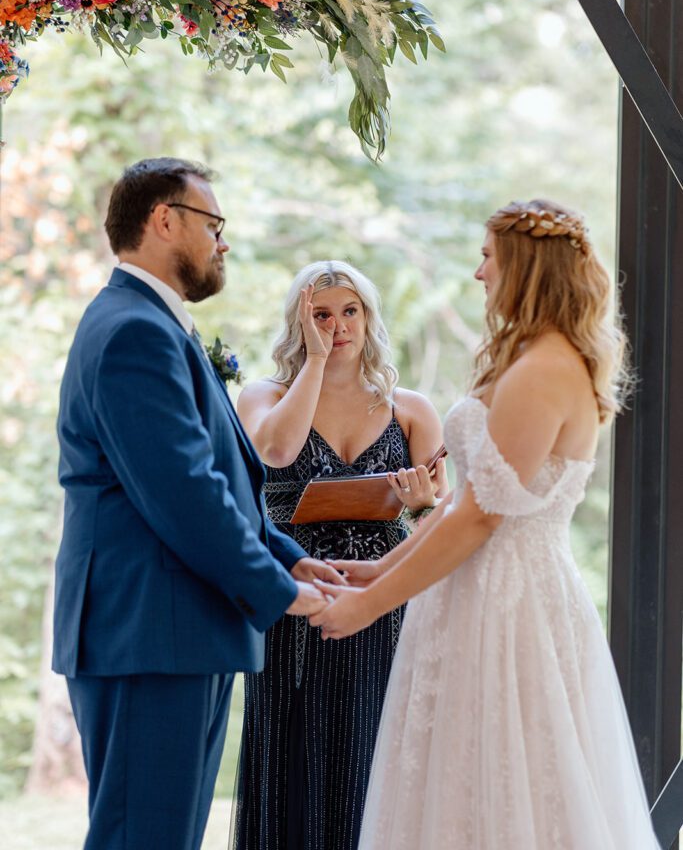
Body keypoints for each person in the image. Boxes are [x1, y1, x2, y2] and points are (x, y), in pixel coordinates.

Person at [313, 201, 662, 850]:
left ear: (523, 269)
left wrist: (367, 607)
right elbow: (459, 504)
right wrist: (379, 568)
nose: (477, 275)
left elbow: (478, 517)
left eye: (487, 259)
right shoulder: (527, 359)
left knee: (510, 779)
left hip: (507, 603)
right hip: (476, 592)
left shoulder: (542, 371)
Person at [52, 157, 336, 850]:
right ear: (164, 221)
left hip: (173, 629)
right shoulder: (133, 332)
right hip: (149, 633)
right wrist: (273, 587)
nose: (223, 242)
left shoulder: (150, 323)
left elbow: (215, 478)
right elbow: (183, 493)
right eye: (214, 224)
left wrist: (290, 560)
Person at [229, 260, 448, 850]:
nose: (338, 326)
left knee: (371, 738)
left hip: (383, 596)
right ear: (299, 323)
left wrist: (422, 508)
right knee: (289, 743)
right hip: (295, 591)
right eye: (321, 315)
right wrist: (317, 362)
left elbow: (444, 522)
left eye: (350, 311)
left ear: (369, 317)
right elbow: (276, 451)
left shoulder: (411, 409)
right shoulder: (263, 395)